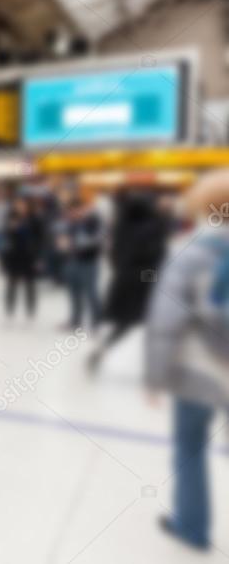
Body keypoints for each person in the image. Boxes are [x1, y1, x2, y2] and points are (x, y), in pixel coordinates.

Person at [144, 171, 229, 552]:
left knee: (190, 447)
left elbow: (167, 322)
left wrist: (155, 377)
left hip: (199, 371)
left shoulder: (192, 255)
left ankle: (192, 527)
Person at [88, 191, 171, 373]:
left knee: (124, 323)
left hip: (124, 281)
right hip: (146, 283)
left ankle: (102, 349)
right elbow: (157, 255)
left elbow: (113, 256)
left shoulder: (121, 227)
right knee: (156, 324)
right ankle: (159, 365)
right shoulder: (154, 227)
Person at [61, 198, 105, 331]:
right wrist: (64, 243)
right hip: (72, 260)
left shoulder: (93, 221)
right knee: (74, 292)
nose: (70, 215)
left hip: (89, 262)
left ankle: (96, 322)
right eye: (68, 213)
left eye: (72, 212)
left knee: (91, 293)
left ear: (80, 209)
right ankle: (75, 320)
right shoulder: (71, 223)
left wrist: (74, 244)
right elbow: (66, 238)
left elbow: (97, 240)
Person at [0, 197, 42, 321]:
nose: (20, 207)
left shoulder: (34, 219)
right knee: (11, 283)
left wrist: (38, 256)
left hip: (29, 256)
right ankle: (9, 308)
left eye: (23, 204)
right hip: (14, 256)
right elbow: (5, 235)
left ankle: (31, 309)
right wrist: (11, 229)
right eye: (18, 204)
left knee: (30, 284)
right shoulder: (11, 218)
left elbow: (40, 238)